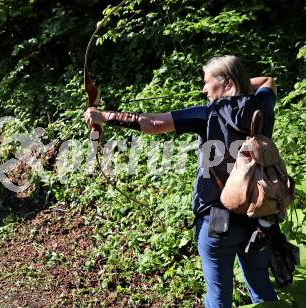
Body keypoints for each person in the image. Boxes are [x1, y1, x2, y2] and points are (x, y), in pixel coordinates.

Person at [84, 55, 278, 307]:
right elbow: (267, 80)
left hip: (218, 219)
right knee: (262, 289)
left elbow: (152, 123)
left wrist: (104, 116)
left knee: (219, 297)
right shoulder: (262, 105)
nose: (203, 89)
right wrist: (237, 87)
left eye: (208, 83)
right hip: (259, 217)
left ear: (226, 82)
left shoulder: (208, 114)